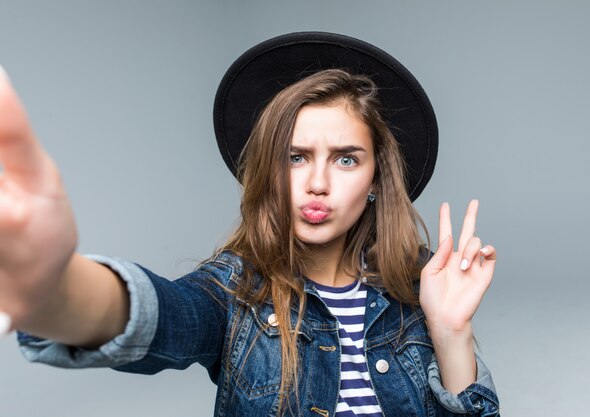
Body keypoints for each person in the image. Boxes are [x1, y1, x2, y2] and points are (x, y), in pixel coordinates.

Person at [1, 32, 499, 416]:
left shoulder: (417, 288)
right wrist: (52, 288)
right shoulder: (234, 293)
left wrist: (450, 330)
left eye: (346, 160)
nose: (318, 183)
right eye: (295, 157)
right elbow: (164, 317)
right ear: (267, 171)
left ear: (374, 179)